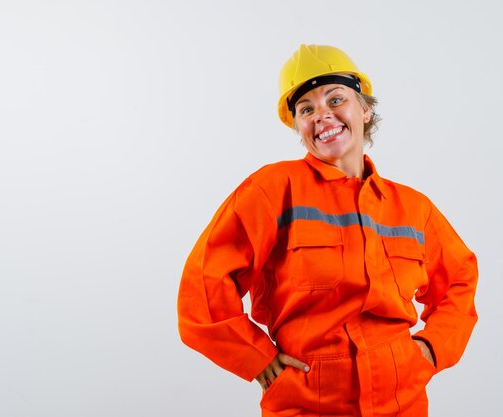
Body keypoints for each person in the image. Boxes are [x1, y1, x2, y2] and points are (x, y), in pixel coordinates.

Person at [177, 44, 478, 417]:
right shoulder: (273, 190)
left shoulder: (413, 209)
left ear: (365, 110)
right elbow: (203, 285)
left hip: (402, 402)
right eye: (306, 109)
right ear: (298, 126)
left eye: (336, 99)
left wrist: (432, 348)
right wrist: (256, 357)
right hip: (308, 402)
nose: (322, 115)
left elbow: (460, 281)